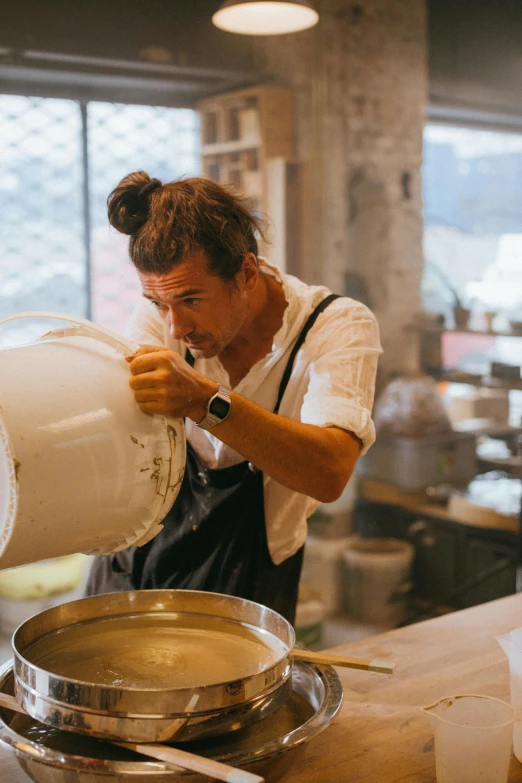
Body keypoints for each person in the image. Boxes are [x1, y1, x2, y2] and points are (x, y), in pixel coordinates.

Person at [86, 172, 382, 623]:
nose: (175, 328)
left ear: (245, 273)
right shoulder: (161, 316)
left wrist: (204, 401)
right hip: (135, 560)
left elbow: (329, 472)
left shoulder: (334, 327)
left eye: (192, 300)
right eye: (159, 304)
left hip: (251, 577)